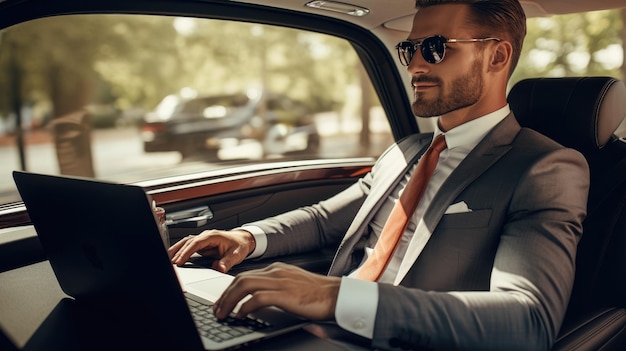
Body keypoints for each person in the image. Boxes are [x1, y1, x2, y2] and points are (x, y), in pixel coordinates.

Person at [169, 0, 590, 350]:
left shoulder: (544, 167)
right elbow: (322, 219)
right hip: (321, 333)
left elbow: (528, 319)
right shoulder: (406, 152)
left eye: (436, 49)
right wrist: (246, 237)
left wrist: (334, 296)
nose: (415, 66)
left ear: (497, 55)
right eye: (411, 51)